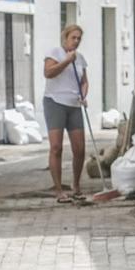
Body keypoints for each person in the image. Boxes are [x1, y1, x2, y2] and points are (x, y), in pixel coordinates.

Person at [42, 24, 90, 198]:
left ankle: (76, 185)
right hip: (55, 102)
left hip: (74, 104)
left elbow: (84, 81)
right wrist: (66, 61)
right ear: (65, 38)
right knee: (56, 147)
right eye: (73, 38)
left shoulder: (80, 58)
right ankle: (59, 190)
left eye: (79, 38)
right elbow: (48, 73)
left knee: (80, 148)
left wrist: (83, 95)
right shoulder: (55, 52)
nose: (76, 41)